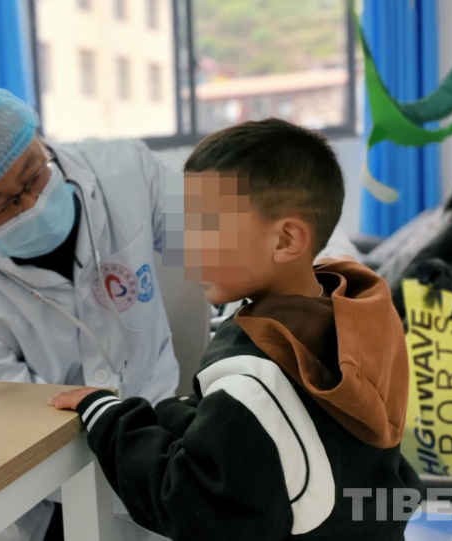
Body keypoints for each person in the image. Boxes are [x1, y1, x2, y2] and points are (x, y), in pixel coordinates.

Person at [0, 87, 362, 541]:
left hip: (166, 439)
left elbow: (251, 234)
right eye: (6, 204)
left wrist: (336, 286)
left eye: (33, 174)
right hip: (58, 485)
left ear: (39, 139)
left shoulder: (123, 171)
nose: (33, 200)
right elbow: (16, 419)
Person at [50, 119, 422, 541]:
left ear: (285, 241)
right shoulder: (355, 315)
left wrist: (109, 416)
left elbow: (188, 504)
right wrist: (180, 415)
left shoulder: (251, 382)